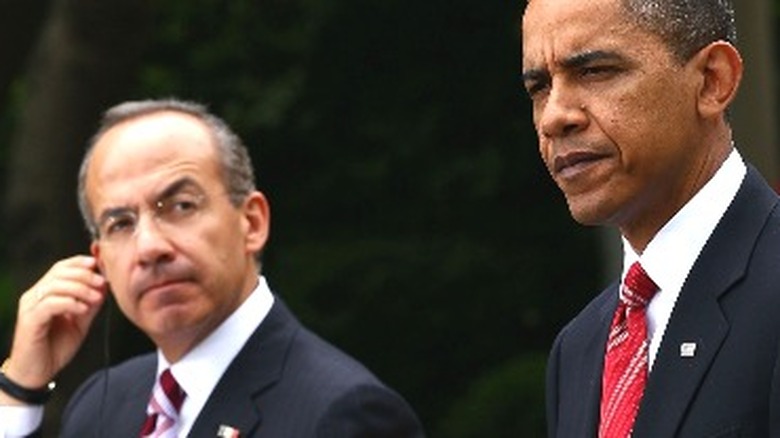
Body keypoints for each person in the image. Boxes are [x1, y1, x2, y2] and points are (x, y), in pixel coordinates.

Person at [0, 99, 426, 437]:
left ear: (252, 222)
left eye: (181, 206)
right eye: (121, 223)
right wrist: (20, 386)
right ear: (100, 260)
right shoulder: (101, 407)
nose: (149, 247)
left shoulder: (344, 414)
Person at [522, 0, 780, 436]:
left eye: (595, 71)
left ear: (712, 81)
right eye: (539, 87)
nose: (554, 117)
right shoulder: (579, 348)